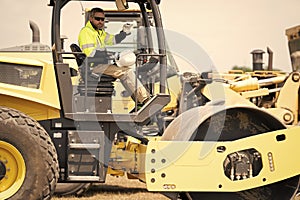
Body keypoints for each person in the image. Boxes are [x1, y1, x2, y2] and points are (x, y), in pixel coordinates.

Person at [78, 7, 150, 104]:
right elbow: (90, 53)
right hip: (93, 67)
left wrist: (124, 33)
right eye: (97, 19)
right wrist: (111, 55)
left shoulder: (99, 32)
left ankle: (138, 99)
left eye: (102, 19)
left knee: (125, 69)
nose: (100, 21)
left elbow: (112, 40)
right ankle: (145, 99)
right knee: (126, 72)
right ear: (91, 18)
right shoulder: (86, 32)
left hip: (98, 65)